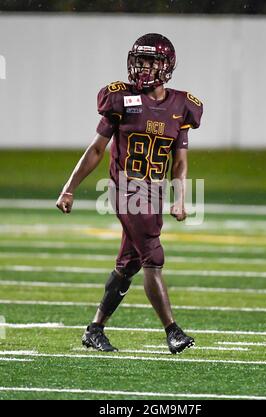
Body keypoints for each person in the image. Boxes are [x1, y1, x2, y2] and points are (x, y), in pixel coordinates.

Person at [56, 33, 203, 354]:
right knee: (154, 254)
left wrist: (179, 197)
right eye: (140, 61)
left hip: (154, 191)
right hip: (125, 188)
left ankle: (94, 329)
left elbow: (179, 161)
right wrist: (70, 188)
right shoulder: (119, 98)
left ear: (168, 66)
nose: (143, 68)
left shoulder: (182, 106)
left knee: (129, 263)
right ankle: (173, 332)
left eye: (151, 62)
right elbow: (96, 150)